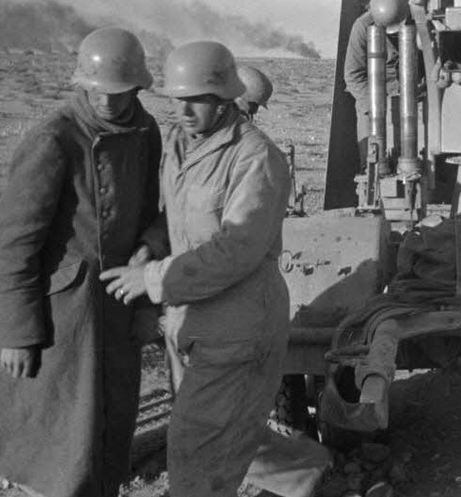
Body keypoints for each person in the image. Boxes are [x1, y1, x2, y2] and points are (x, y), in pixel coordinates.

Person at [101, 40, 327, 497]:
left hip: (239, 329)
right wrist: (150, 245)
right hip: (190, 323)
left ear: (225, 97)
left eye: (197, 100)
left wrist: (151, 280)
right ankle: (309, 473)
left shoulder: (256, 158)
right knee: (226, 434)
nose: (184, 111)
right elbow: (178, 215)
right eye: (177, 99)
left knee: (194, 454)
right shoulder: (181, 144)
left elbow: (236, 249)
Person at [0, 27, 163, 497]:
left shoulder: (145, 131)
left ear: (138, 87)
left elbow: (146, 216)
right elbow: (10, 246)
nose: (107, 102)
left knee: (106, 435)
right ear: (82, 83)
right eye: (97, 91)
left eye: (119, 92)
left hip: (116, 307)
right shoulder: (55, 138)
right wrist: (18, 333)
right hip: (62, 318)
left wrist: (145, 296)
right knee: (55, 441)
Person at [343, 0, 408, 169]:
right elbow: (353, 75)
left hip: (411, 100)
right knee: (374, 164)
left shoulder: (416, 21)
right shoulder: (363, 26)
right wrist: (375, 107)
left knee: (411, 162)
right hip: (372, 100)